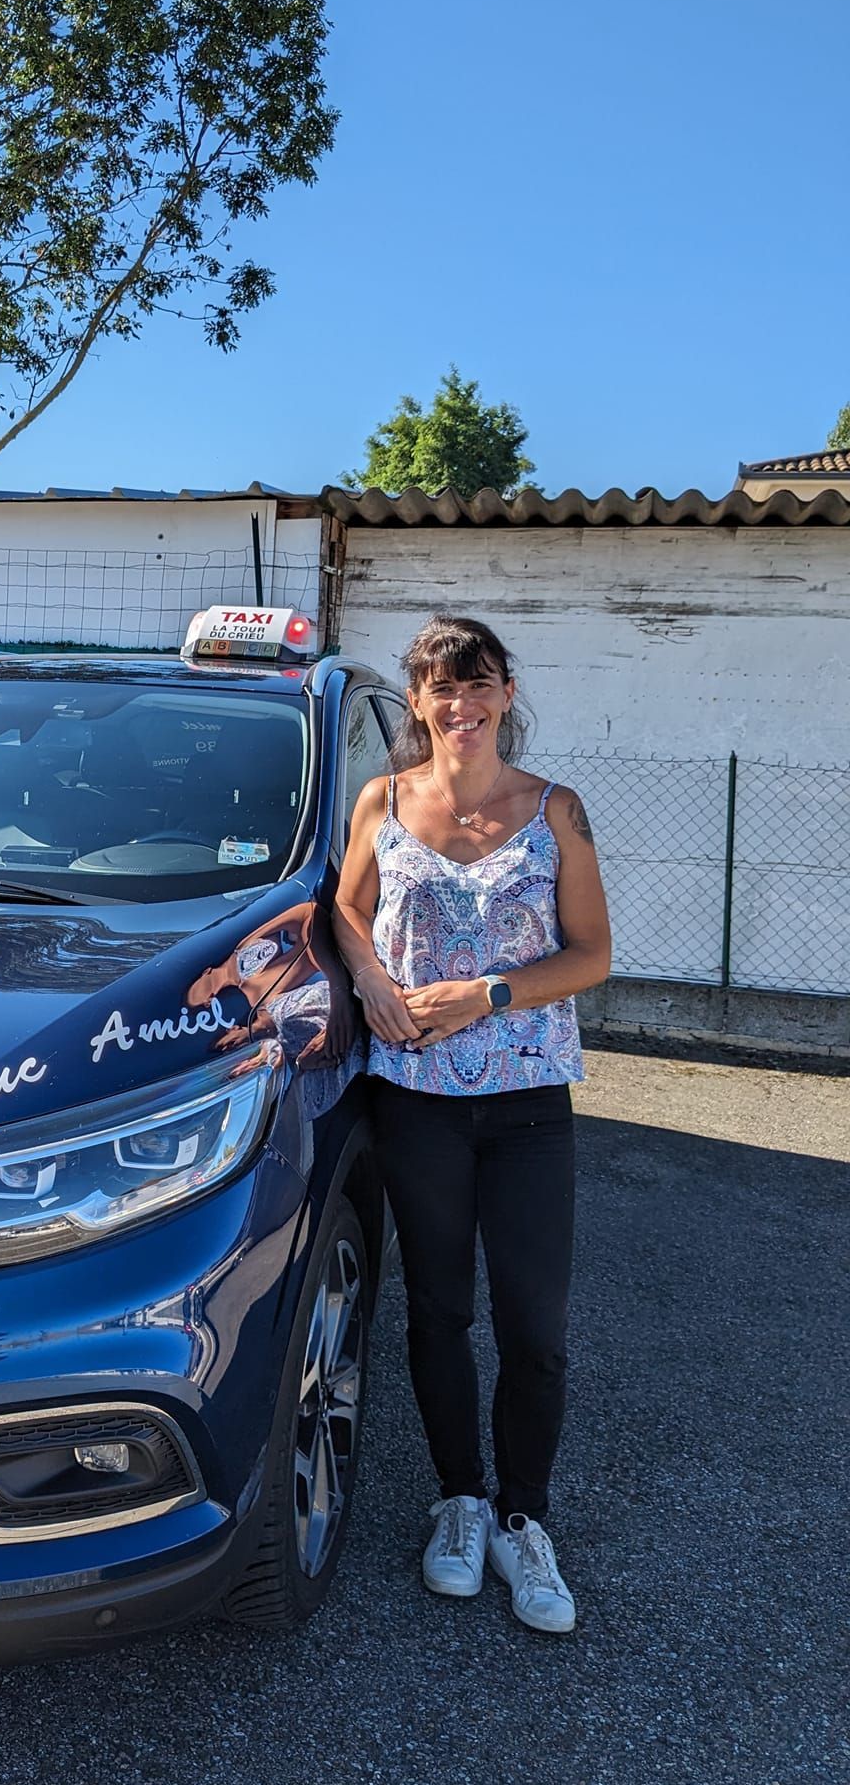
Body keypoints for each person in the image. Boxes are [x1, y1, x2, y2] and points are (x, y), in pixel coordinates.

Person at [334, 615, 611, 1634]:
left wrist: (487, 994)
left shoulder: (555, 812)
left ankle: (524, 1518)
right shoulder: (381, 801)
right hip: (414, 1099)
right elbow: (347, 910)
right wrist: (367, 976)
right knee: (439, 1312)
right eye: (441, 688)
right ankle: (460, 1499)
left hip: (529, 1103)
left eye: (478, 682)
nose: (461, 704)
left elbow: (591, 953)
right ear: (417, 701)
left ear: (504, 692)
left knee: (535, 1329)